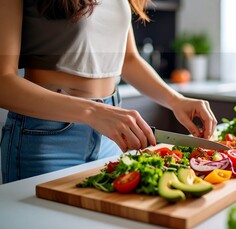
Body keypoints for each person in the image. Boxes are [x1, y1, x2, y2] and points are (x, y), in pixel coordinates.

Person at [0, 0, 217, 183]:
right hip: (46, 139)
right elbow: (3, 82)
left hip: (110, 138)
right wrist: (93, 112)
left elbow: (128, 59)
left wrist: (176, 100)